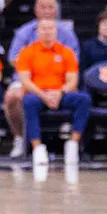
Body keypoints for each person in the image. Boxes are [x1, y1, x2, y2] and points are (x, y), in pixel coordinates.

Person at [16, 18, 90, 166]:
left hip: (61, 94)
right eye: (43, 29)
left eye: (50, 29)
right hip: (38, 94)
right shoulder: (27, 52)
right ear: (37, 32)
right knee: (28, 101)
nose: (47, 32)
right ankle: (37, 147)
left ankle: (73, 144)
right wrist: (43, 95)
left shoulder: (67, 52)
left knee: (84, 99)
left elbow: (72, 81)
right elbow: (25, 81)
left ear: (56, 31)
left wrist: (59, 93)